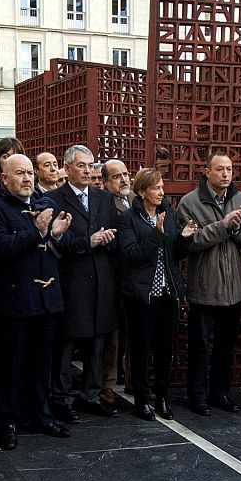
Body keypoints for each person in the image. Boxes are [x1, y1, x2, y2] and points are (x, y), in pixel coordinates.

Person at [0, 153, 72, 450]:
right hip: (14, 301)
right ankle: (6, 421)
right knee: (10, 365)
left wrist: (55, 236)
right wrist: (36, 231)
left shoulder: (48, 205)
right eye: (20, 173)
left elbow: (65, 245)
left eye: (30, 172)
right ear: (4, 178)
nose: (27, 178)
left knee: (41, 364)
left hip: (47, 299)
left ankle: (41, 415)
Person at [47, 144, 121, 421]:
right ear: (67, 169)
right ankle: (61, 397)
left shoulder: (103, 199)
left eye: (91, 166)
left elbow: (115, 231)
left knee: (97, 342)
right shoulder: (54, 198)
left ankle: (91, 394)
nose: (88, 171)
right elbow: (55, 239)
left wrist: (109, 239)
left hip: (102, 279)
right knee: (66, 342)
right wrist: (86, 243)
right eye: (81, 165)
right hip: (71, 279)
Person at [178, 151, 241, 414]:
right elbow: (192, 242)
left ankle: (220, 392)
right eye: (220, 169)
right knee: (200, 346)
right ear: (207, 172)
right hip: (204, 288)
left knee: (225, 345)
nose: (225, 174)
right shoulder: (190, 202)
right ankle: (197, 395)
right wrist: (223, 225)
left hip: (232, 289)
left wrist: (235, 228)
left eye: (229, 170)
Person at [115, 168, 195, 420]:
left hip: (167, 292)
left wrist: (183, 239)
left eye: (162, 187)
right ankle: (141, 399)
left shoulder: (169, 213)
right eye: (156, 188)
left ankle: (162, 397)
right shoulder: (128, 218)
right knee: (140, 349)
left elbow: (176, 255)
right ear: (142, 191)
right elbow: (130, 254)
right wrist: (156, 235)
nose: (161, 192)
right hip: (140, 295)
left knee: (164, 349)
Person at [99, 157, 133, 402]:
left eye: (125, 174)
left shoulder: (134, 201)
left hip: (135, 276)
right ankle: (107, 382)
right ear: (105, 181)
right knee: (112, 334)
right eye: (117, 176)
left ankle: (132, 380)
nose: (123, 179)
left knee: (133, 331)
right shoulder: (103, 204)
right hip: (112, 274)